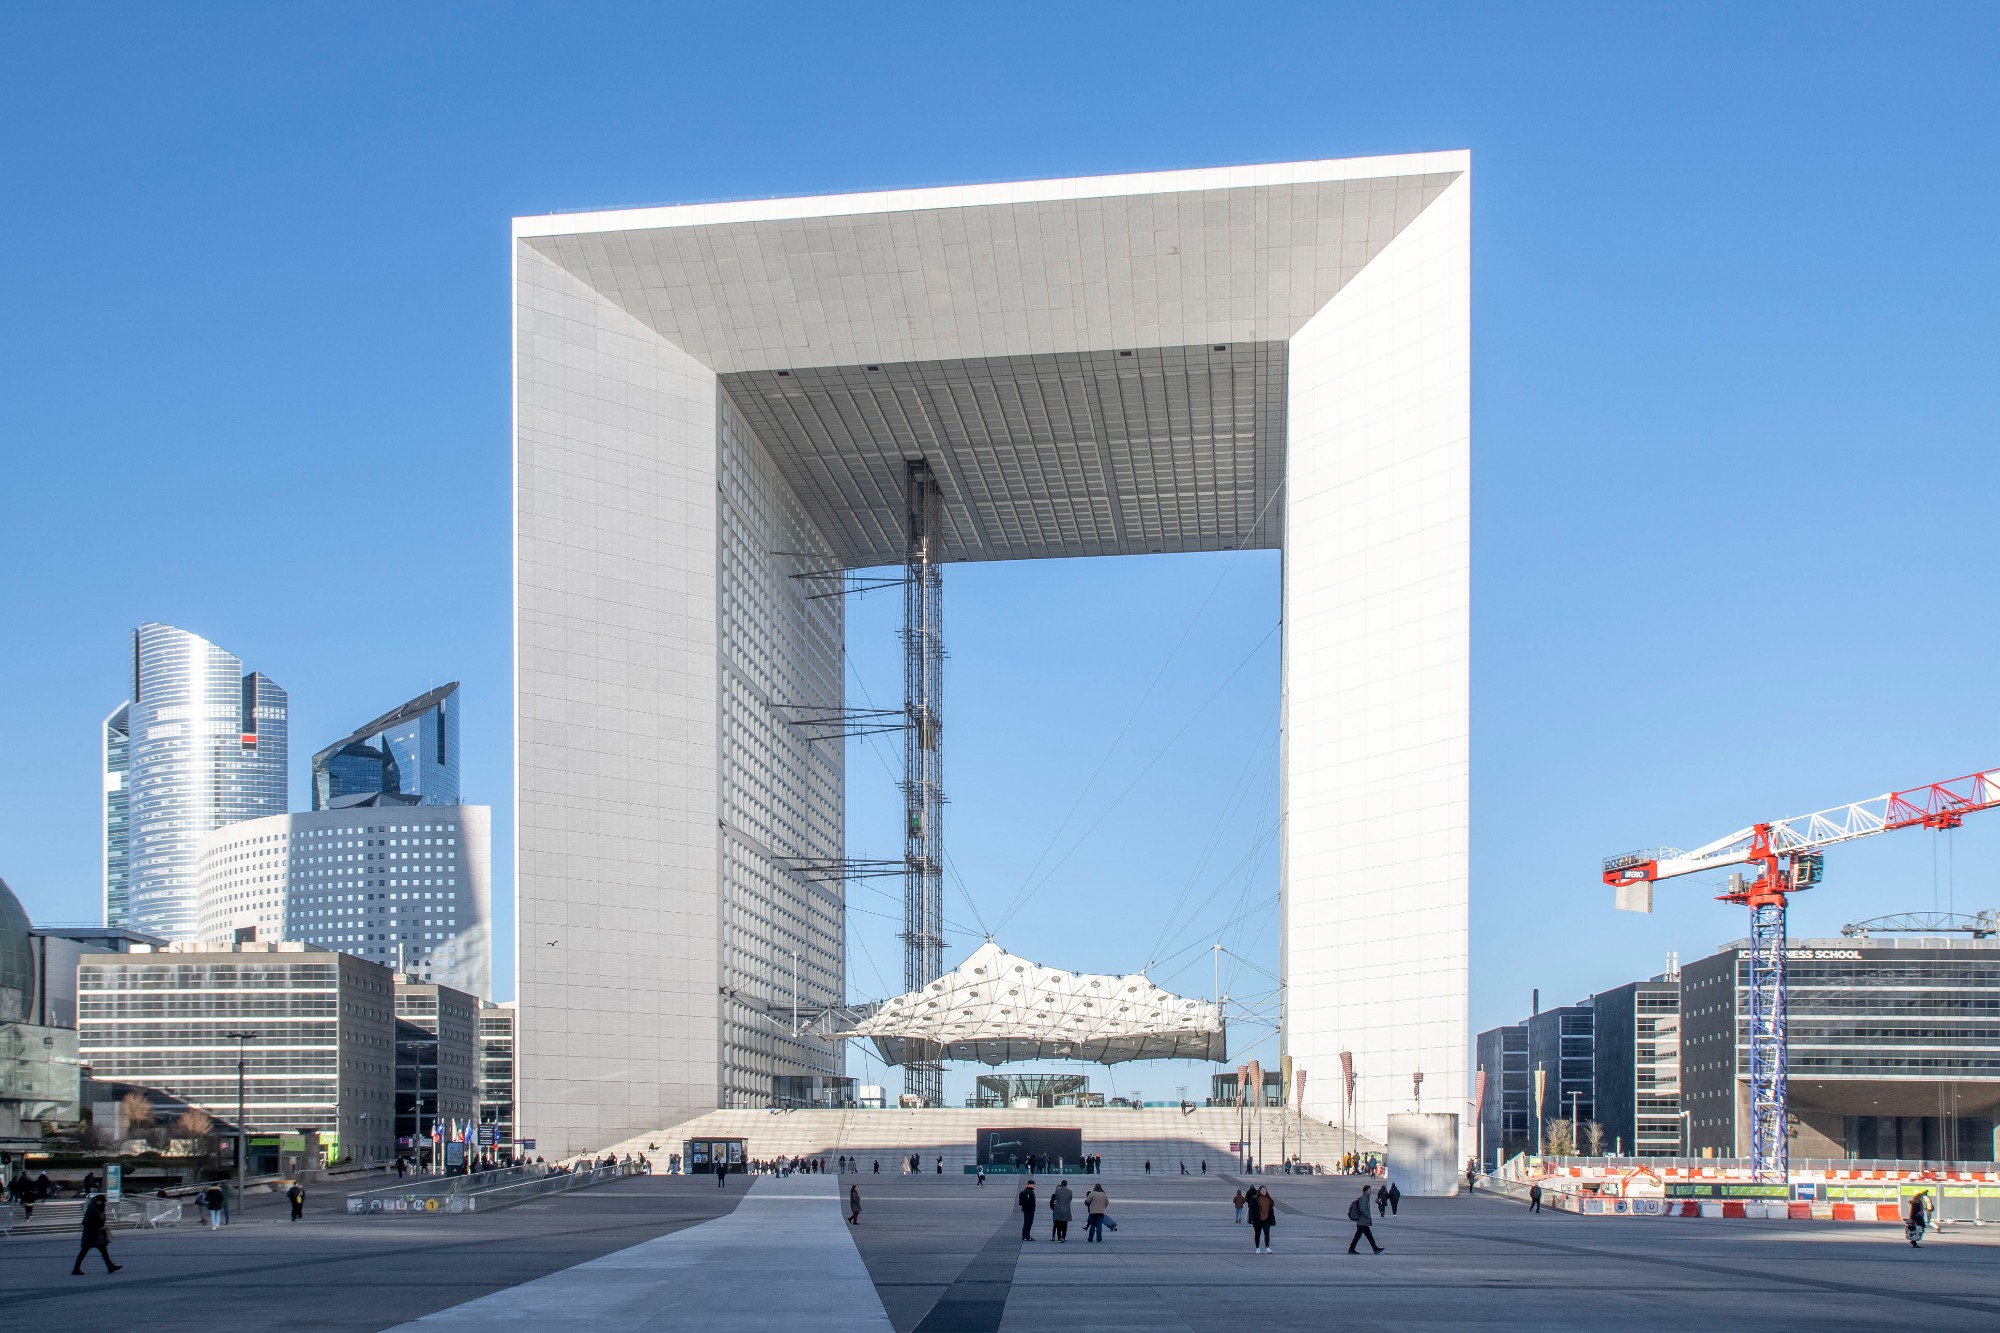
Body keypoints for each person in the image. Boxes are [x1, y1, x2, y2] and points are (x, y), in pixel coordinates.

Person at [72, 1194, 121, 1275]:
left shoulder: (99, 1208)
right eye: (102, 1202)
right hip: (90, 1235)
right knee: (84, 1252)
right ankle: (76, 1269)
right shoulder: (92, 1209)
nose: (103, 1203)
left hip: (97, 1234)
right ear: (98, 1201)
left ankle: (110, 1266)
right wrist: (96, 1228)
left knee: (103, 1250)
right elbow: (86, 1222)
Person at [1347, 1186, 1384, 1254]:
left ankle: (1375, 1248)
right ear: (1365, 1191)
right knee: (1359, 1236)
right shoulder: (1363, 1198)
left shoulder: (1366, 1197)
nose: (1371, 1191)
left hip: (1364, 1221)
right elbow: (1362, 1209)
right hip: (1362, 1221)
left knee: (1368, 1236)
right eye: (1370, 1189)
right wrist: (1367, 1216)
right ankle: (1351, 1249)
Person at [1251, 1186, 1276, 1253]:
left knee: (1267, 1233)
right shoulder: (1255, 1199)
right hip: (1257, 1219)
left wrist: (1273, 1219)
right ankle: (1257, 1248)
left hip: (1266, 1219)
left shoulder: (1269, 1199)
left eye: (1264, 1189)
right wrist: (1251, 1219)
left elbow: (1271, 1211)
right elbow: (1251, 1210)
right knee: (1257, 1234)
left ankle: (1267, 1248)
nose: (1263, 1191)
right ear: (1259, 1191)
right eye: (1262, 1190)